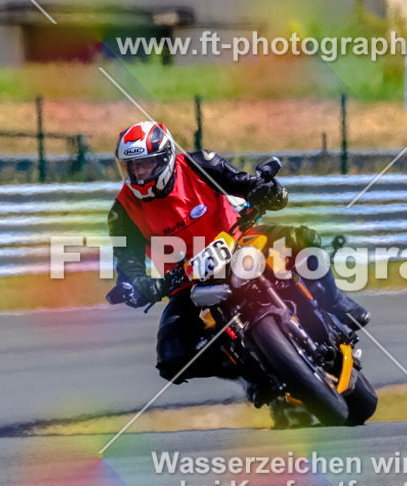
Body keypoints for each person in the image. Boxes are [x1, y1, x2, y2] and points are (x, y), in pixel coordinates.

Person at [106, 121, 369, 382]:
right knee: (171, 358)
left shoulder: (201, 164)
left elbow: (243, 183)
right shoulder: (122, 212)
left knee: (304, 239)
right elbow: (127, 263)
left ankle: (334, 299)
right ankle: (249, 373)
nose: (138, 173)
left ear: (165, 158)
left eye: (145, 163)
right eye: (130, 166)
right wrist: (135, 286)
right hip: (188, 281)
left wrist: (267, 191)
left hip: (240, 240)